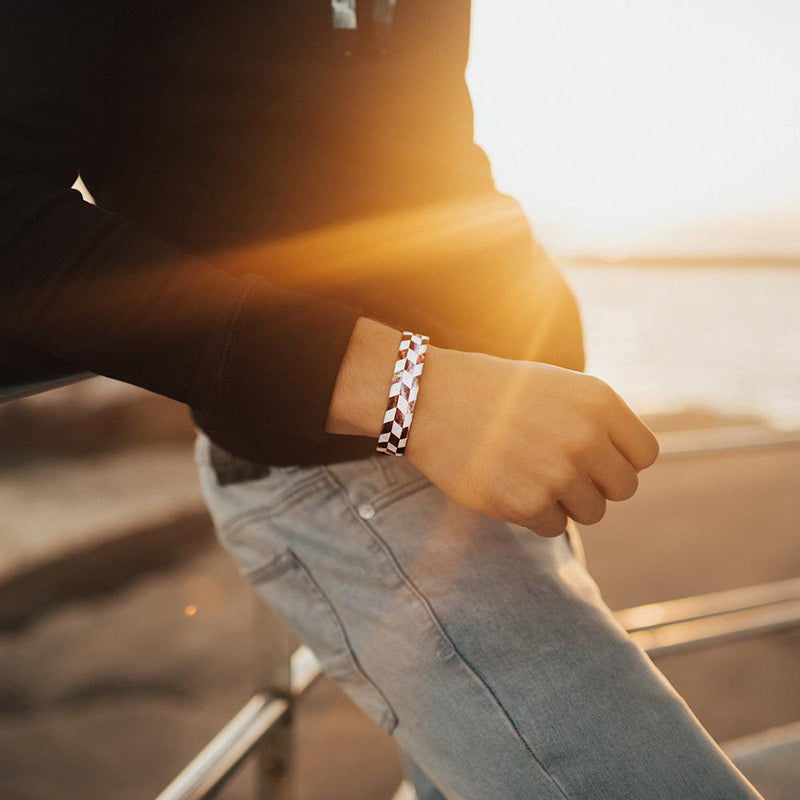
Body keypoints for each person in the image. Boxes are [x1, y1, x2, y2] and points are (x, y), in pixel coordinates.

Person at [0, 2, 762, 797]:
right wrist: (416, 390)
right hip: (345, 462)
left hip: (495, 441)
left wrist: (528, 318)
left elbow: (420, 146)